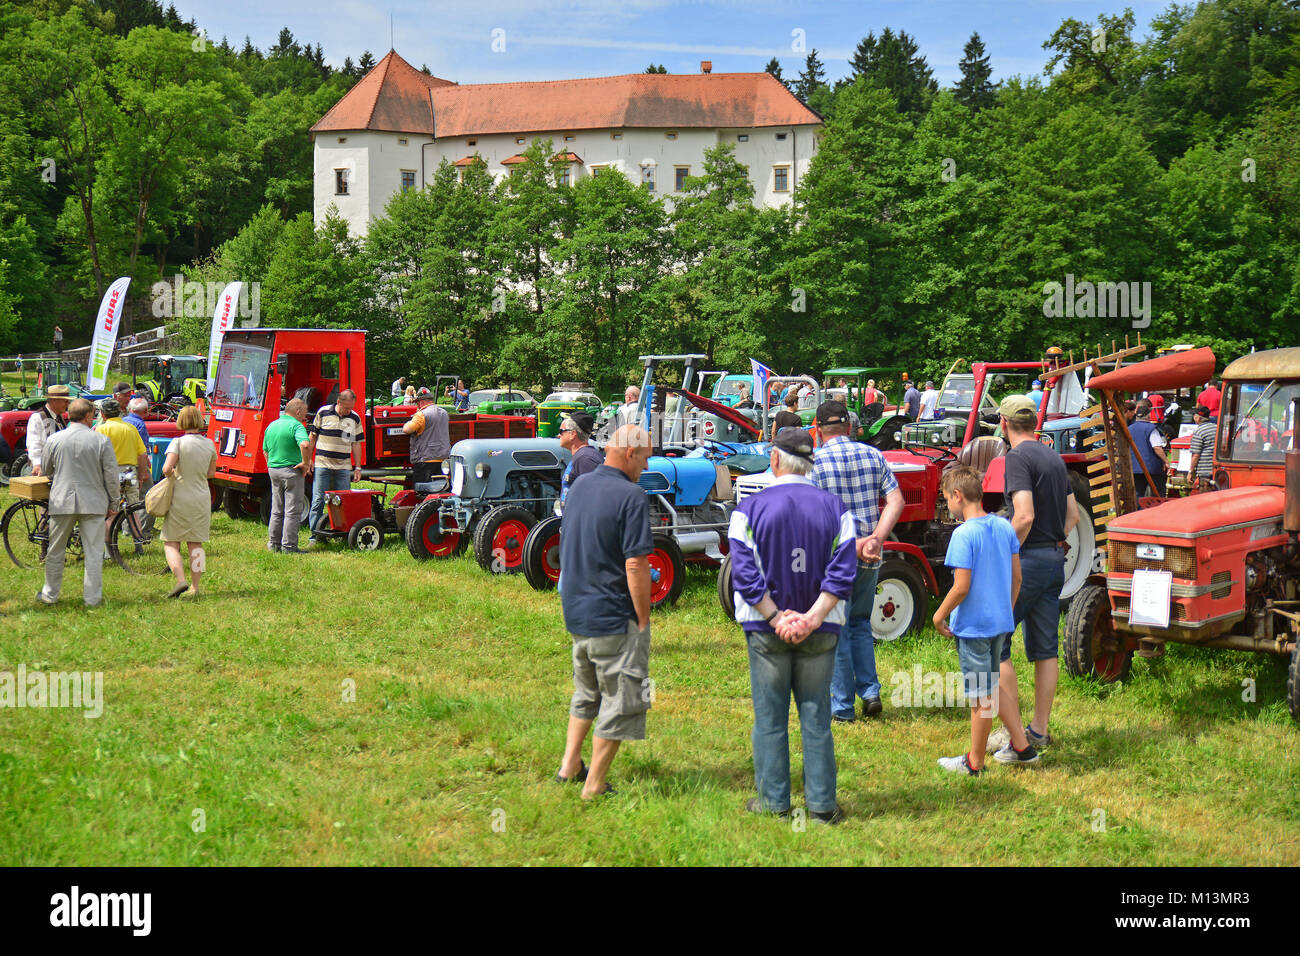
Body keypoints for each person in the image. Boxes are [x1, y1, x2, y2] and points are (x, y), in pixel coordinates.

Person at [729, 427, 858, 822]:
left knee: (769, 719)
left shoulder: (748, 509)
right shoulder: (837, 509)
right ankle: (821, 807)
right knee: (816, 718)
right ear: (810, 463)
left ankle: (774, 803)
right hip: (821, 631)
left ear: (774, 460)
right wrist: (813, 618)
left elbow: (744, 572)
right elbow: (843, 571)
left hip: (766, 630)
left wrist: (775, 615)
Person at [554, 424, 653, 800]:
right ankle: (594, 784)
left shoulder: (579, 485)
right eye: (644, 458)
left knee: (586, 691)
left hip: (577, 610)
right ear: (629, 454)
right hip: (613, 614)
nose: (644, 466)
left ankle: (569, 766)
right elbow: (636, 565)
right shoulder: (632, 496)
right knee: (623, 699)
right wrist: (642, 618)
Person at [986, 395, 1078, 761]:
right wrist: (1055, 543)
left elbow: (1022, 516)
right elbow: (1071, 514)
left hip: (1027, 561)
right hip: (1055, 559)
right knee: (1045, 649)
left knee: (996, 643)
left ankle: (1015, 737)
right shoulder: (1053, 457)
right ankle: (1038, 729)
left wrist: (1002, 554)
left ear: (1005, 425)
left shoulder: (1016, 458)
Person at [810, 400, 905, 721]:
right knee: (862, 623)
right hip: (870, 556)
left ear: (817, 429)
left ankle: (842, 707)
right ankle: (870, 691)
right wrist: (877, 537)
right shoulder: (873, 454)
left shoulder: (816, 462)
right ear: (849, 427)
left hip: (835, 556)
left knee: (835, 628)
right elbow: (896, 500)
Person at [933, 466, 1029, 775]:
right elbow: (1017, 577)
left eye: (946, 498)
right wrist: (1006, 609)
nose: (947, 504)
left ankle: (974, 762)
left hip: (973, 628)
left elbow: (961, 586)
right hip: (1000, 623)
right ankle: (1022, 746)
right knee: (992, 686)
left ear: (958, 496)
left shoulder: (963, 534)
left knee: (980, 697)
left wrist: (938, 614)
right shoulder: (1003, 527)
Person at [36, 398, 118, 608]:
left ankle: (49, 594)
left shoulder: (55, 439)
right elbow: (111, 475)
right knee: (93, 552)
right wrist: (114, 502)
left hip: (62, 499)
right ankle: (92, 598)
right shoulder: (100, 440)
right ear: (88, 416)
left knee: (55, 550)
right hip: (93, 501)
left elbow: (46, 469)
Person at [161, 405, 218, 598]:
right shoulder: (209, 444)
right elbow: (211, 473)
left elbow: (167, 469)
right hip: (201, 497)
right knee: (196, 544)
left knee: (171, 542)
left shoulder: (177, 442)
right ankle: (195, 586)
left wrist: (175, 472)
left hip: (180, 496)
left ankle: (180, 580)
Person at [306, 389, 365, 543]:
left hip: (343, 467)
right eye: (346, 407)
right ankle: (315, 536)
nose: (348, 410)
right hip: (322, 464)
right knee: (318, 500)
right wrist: (308, 460)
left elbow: (356, 444)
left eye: (351, 407)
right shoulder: (323, 412)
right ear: (338, 402)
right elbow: (312, 436)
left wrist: (357, 467)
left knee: (343, 501)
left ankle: (343, 535)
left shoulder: (354, 418)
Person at [95, 399, 150, 542]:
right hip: (130, 472)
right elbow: (142, 454)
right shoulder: (131, 428)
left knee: (111, 512)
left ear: (102, 413)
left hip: (110, 473)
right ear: (120, 412)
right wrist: (142, 475)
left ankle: (108, 548)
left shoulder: (101, 429)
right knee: (132, 510)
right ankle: (138, 542)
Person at [263, 398, 311, 554]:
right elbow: (305, 444)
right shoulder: (296, 425)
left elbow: (265, 450)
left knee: (277, 509)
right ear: (297, 411)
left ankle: (273, 544)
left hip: (274, 470)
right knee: (292, 510)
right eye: (304, 412)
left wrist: (271, 465)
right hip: (291, 471)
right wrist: (306, 462)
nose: (305, 416)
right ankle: (289, 547)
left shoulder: (272, 425)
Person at [402, 387, 450, 492]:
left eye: (417, 403)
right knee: (440, 490)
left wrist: (408, 421)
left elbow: (407, 429)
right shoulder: (444, 413)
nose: (417, 406)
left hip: (426, 459)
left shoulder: (421, 415)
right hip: (443, 458)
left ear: (421, 402)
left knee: (422, 492)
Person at [26, 384, 71, 476]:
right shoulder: (37, 417)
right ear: (54, 401)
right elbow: (34, 442)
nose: (68, 404)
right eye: (65, 401)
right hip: (44, 468)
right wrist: (37, 464)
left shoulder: (59, 416)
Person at [125, 397, 155, 533]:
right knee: (148, 496)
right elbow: (143, 451)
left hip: (123, 465)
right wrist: (145, 471)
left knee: (128, 498)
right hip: (137, 465)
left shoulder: (123, 421)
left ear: (130, 409)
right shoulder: (140, 425)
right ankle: (142, 529)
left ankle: (126, 528)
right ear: (146, 411)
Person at [558, 411, 602, 505]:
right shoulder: (582, 456)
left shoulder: (586, 459)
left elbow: (595, 498)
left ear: (572, 434)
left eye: (561, 431)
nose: (559, 435)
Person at [1129, 399, 1168, 498]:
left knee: (1138, 494)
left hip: (1135, 468)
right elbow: (1157, 448)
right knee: (1158, 493)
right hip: (1152, 468)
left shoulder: (1129, 429)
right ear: (1148, 415)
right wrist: (1166, 461)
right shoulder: (1151, 429)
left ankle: (1139, 512)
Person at [1187, 405, 1217, 492]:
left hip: (1204, 471)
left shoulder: (1198, 432)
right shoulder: (1217, 428)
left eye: (1194, 415)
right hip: (1217, 469)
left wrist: (1190, 472)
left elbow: (1196, 455)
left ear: (1198, 418)